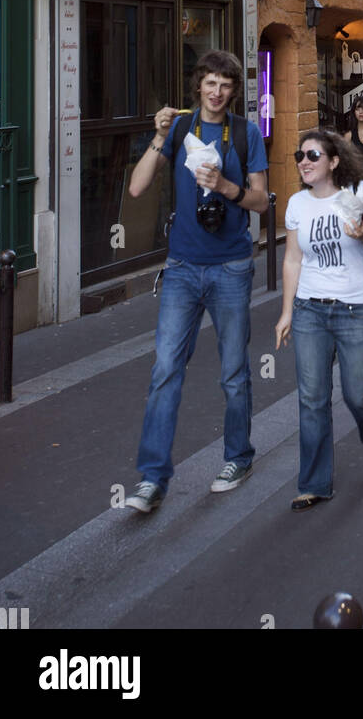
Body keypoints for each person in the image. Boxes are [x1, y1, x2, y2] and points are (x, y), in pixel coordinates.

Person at [124, 51, 269, 513]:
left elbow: (262, 202)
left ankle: (238, 457)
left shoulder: (245, 133)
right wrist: (158, 135)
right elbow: (137, 188)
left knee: (233, 373)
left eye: (225, 84)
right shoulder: (181, 128)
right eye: (209, 83)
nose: (217, 91)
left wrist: (227, 187)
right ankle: (152, 479)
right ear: (198, 87)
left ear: (233, 91)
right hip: (183, 268)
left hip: (230, 267)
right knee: (165, 369)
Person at [275, 130, 363, 509]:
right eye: (300, 155)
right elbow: (293, 258)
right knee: (312, 399)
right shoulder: (296, 203)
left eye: (313, 155)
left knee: (358, 393)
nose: (304, 162)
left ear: (334, 161)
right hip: (311, 309)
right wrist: (286, 311)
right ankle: (313, 483)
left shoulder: (357, 193)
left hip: (356, 309)